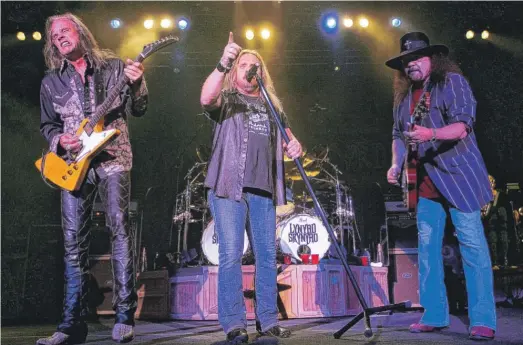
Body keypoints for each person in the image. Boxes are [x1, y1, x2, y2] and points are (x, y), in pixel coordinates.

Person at [36, 13, 147, 345]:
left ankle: (124, 316)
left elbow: (139, 108)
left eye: (64, 31)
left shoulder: (112, 68)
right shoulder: (50, 82)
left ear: (79, 32)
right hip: (73, 162)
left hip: (114, 154)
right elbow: (48, 125)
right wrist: (60, 140)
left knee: (119, 227)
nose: (59, 38)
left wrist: (138, 80)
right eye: (54, 37)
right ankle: (71, 325)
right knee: (73, 242)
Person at [385, 32, 496, 340]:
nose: (411, 65)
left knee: (472, 248)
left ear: (432, 59)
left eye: (417, 58)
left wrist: (429, 135)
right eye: (406, 62)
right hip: (426, 185)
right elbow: (397, 134)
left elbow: (462, 128)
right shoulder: (404, 100)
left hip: (459, 179)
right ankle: (434, 314)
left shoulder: (452, 84)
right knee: (428, 251)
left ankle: (483, 319)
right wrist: (395, 164)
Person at [200, 32, 302, 343]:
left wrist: (295, 145)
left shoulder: (272, 106)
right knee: (231, 253)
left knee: (267, 256)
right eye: (243, 64)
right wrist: (223, 62)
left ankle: (268, 320)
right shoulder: (228, 99)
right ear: (235, 70)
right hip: (228, 186)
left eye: (253, 64)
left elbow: (289, 140)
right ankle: (234, 324)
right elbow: (206, 98)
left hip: (264, 189)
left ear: (261, 71)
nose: (248, 68)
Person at [483, 175, 509, 268]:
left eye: (491, 181)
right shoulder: (484, 194)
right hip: (490, 221)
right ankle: (495, 262)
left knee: (503, 239)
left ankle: (504, 260)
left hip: (502, 220)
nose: (490, 182)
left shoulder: (500, 194)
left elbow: (507, 207)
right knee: (492, 240)